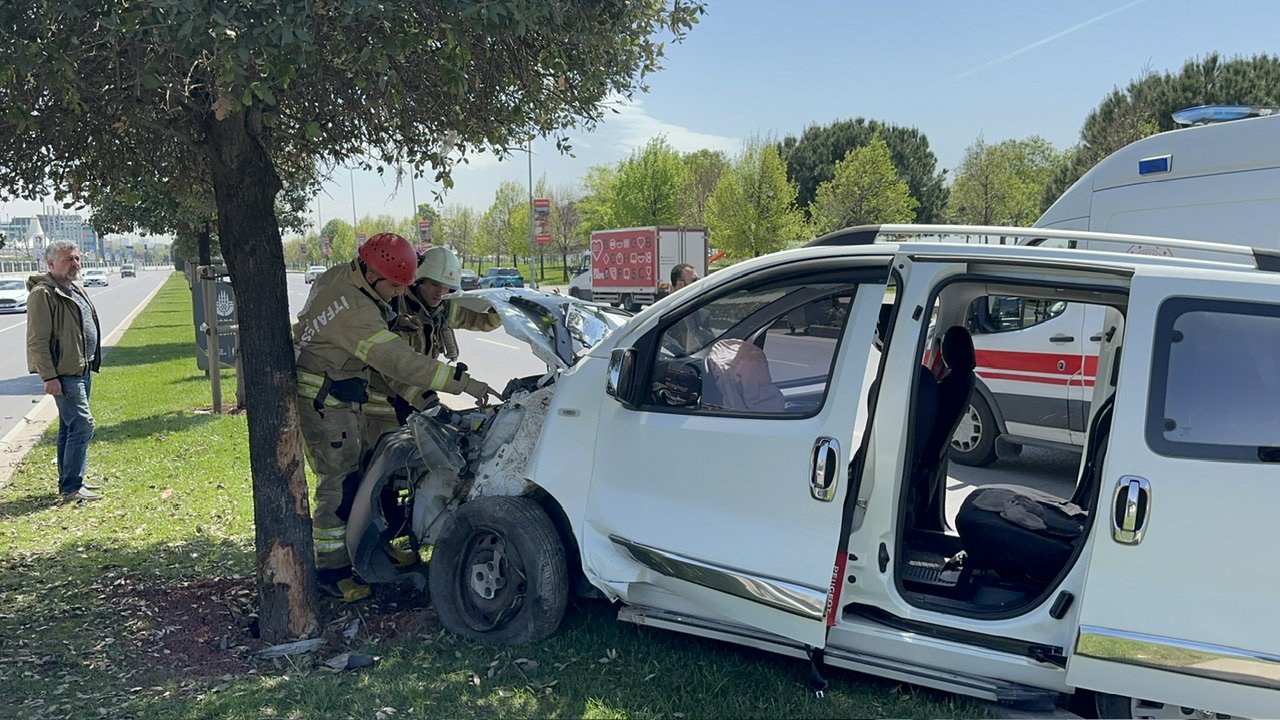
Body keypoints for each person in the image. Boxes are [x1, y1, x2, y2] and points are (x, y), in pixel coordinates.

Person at [293, 232, 499, 602]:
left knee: (361, 478)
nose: (396, 295)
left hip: (337, 396)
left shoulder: (342, 277)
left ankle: (361, 553)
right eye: (393, 287)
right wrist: (461, 383)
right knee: (338, 485)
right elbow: (397, 363)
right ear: (373, 275)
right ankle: (332, 571)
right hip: (326, 401)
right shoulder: (357, 312)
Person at [362, 246, 503, 446]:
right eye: (434, 284)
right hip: (381, 410)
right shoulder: (395, 307)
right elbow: (396, 369)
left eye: (447, 286)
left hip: (415, 403)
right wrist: (431, 404)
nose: (441, 292)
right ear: (418, 280)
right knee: (379, 470)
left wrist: (504, 309)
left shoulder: (441, 306)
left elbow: (481, 319)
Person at [25, 241, 103, 503]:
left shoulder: (73, 288)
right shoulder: (43, 294)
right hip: (64, 373)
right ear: (50, 264)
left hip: (82, 369)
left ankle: (71, 481)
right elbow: (37, 340)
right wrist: (49, 376)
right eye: (68, 259)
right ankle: (72, 487)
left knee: (69, 427)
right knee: (82, 424)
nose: (75, 263)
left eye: (77, 258)